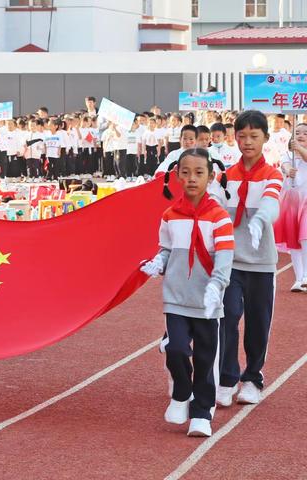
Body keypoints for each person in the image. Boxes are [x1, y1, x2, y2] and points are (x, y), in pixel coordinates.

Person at [141, 148, 233, 437]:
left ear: (211, 177)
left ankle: (202, 412)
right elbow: (167, 249)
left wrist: (217, 286)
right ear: (177, 175)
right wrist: (158, 263)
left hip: (207, 300)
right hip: (177, 297)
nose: (192, 178)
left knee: (205, 358)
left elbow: (225, 257)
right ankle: (181, 391)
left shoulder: (219, 217)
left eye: (199, 173)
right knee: (177, 347)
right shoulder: (170, 215)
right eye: (186, 172)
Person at [213, 110, 283, 407]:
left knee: (258, 321)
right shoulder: (225, 176)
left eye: (254, 136)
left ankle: (252, 376)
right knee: (227, 317)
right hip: (231, 261)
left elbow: (272, 201)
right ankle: (227, 378)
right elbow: (212, 204)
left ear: (265, 139)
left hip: (262, 262)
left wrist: (260, 220)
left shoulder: (273, 174)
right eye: (242, 136)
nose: (247, 142)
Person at [275, 123, 307, 292]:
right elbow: (284, 165)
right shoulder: (287, 155)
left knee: (305, 236)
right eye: (298, 132)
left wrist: (300, 149)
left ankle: (306, 276)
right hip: (292, 201)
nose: (301, 135)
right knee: (294, 240)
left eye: (305, 133)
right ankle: (299, 278)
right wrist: (289, 170)